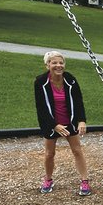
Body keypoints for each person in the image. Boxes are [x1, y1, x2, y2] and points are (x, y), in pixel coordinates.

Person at [34, 51, 91, 196]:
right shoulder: (40, 82)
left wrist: (81, 120)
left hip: (69, 121)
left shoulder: (70, 80)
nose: (58, 66)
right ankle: (48, 179)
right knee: (49, 154)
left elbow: (78, 101)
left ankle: (85, 180)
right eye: (54, 63)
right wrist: (54, 125)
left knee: (77, 150)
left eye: (61, 63)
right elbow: (41, 108)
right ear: (47, 65)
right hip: (51, 123)